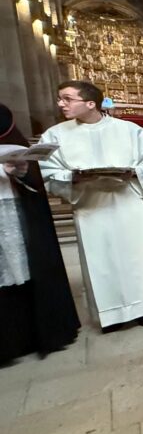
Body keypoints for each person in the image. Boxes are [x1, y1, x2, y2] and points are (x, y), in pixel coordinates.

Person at [40, 81, 143, 333]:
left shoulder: (130, 131)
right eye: (60, 99)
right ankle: (111, 314)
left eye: (67, 99)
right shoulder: (55, 135)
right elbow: (47, 171)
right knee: (100, 262)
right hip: (90, 205)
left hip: (127, 202)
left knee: (137, 258)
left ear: (90, 103)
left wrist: (133, 172)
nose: (61, 104)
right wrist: (74, 177)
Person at [0, 104, 80, 364]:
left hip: (17, 209)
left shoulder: (6, 119)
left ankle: (38, 333)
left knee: (28, 269)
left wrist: (21, 170)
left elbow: (32, 175)